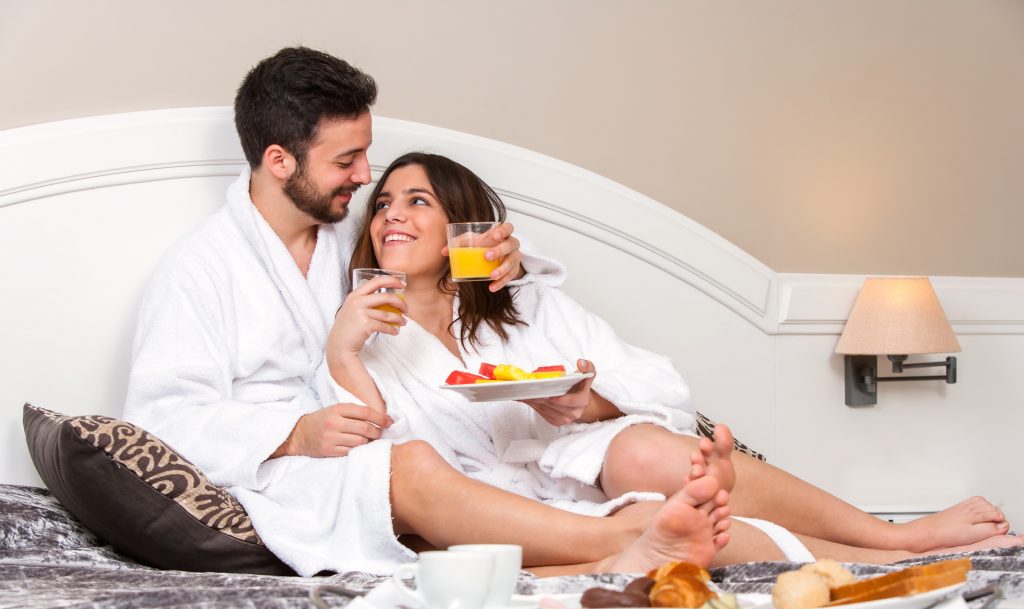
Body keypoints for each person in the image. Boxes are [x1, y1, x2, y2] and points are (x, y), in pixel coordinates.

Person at [123, 46, 729, 577]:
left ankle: (611, 553)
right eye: (347, 161)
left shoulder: (347, 237)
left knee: (436, 462)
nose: (364, 176)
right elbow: (162, 416)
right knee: (408, 466)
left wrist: (510, 257)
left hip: (386, 433)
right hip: (293, 465)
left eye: (366, 156)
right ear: (280, 161)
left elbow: (441, 256)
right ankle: (622, 539)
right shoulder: (201, 269)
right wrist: (295, 432)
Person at [322, 150, 1024, 567]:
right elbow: (369, 463)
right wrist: (346, 352)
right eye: (382, 203)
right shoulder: (362, 326)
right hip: (501, 512)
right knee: (668, 515)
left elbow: (667, 390)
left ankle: (892, 533)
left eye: (417, 200)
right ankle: (884, 560)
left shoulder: (527, 306)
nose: (390, 214)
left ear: (464, 228)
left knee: (654, 453)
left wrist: (588, 405)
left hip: (581, 476)